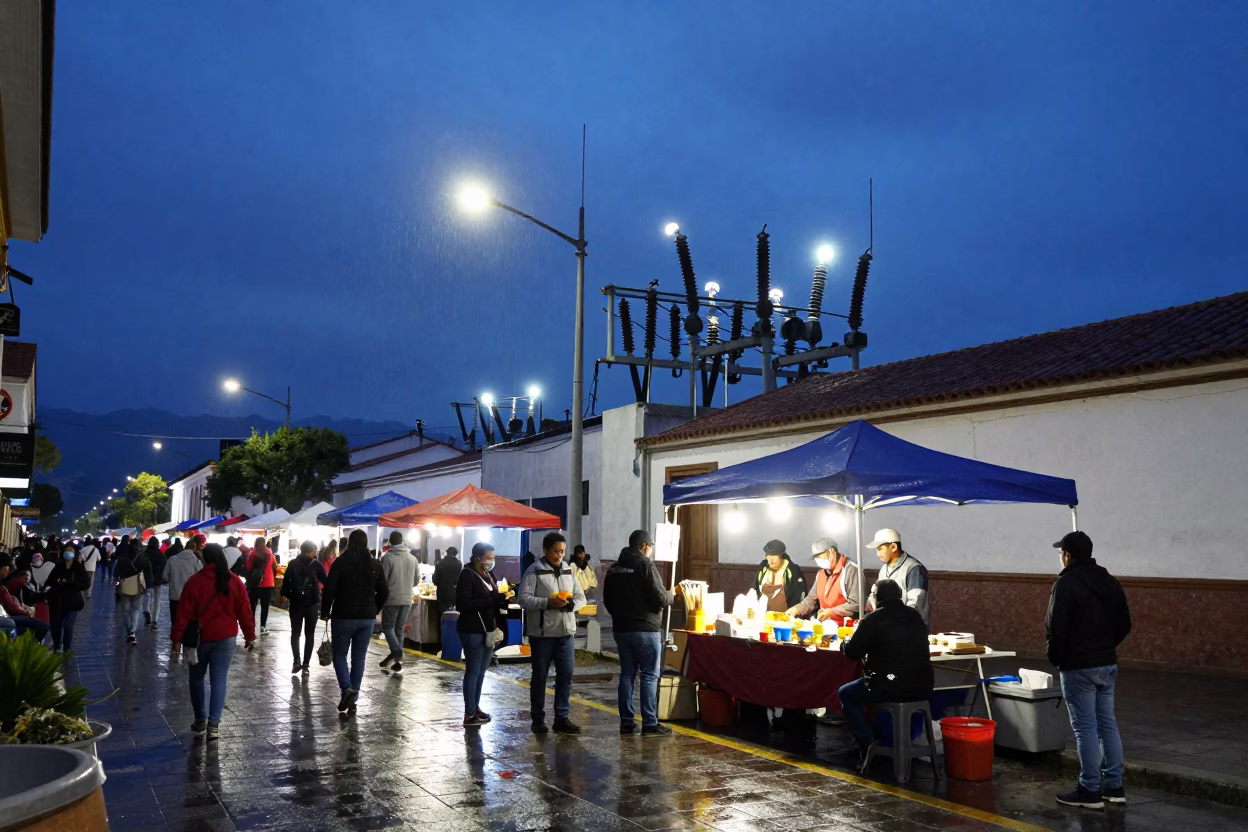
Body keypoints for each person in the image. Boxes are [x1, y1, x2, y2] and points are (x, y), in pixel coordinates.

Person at [1047, 531, 1131, 810]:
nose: (1060, 557)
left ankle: (1090, 790)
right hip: (1107, 663)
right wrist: (1106, 646)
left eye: (1061, 553)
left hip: (1078, 666)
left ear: (1068, 555)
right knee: (1107, 723)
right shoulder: (1109, 581)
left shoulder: (1066, 583)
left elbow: (1055, 628)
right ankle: (1114, 787)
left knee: (1085, 728)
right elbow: (1125, 623)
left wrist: (1058, 657)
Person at [837, 579, 934, 760]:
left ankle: (868, 745)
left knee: (846, 693)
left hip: (890, 685)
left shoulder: (873, 619)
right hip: (923, 685)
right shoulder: (915, 616)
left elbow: (853, 653)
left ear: (876, 598)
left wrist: (844, 644)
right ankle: (879, 740)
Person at [170, 543, 256, 741]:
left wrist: (176, 640)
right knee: (219, 679)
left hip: (199, 639)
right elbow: (245, 611)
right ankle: (213, 725)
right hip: (225, 638)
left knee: (196, 677)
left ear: (204, 560)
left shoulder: (194, 582)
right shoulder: (234, 581)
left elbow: (183, 614)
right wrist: (249, 635)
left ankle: (200, 719)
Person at [603, 529, 675, 736]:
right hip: (646, 629)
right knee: (650, 675)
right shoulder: (645, 565)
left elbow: (607, 600)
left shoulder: (614, 569)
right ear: (644, 546)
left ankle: (627, 722)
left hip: (621, 629)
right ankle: (650, 723)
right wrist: (672, 595)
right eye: (651, 547)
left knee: (626, 675)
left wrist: (620, 615)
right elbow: (661, 598)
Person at [519, 531, 586, 735]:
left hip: (565, 632)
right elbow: (523, 599)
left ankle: (561, 718)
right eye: (556, 551)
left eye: (563, 551)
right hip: (542, 635)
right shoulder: (535, 571)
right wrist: (548, 603)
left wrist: (571, 606)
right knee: (540, 676)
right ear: (546, 551)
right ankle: (538, 719)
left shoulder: (568, 570)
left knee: (565, 675)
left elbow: (581, 597)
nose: (560, 555)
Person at [320, 529, 389, 715]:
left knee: (340, 655)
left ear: (349, 543)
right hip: (366, 618)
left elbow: (329, 589)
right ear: (366, 543)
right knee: (359, 657)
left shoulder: (340, 562)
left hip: (343, 615)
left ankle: (347, 689)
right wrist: (374, 609)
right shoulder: (374, 564)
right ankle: (353, 697)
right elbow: (384, 591)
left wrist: (325, 611)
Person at [456, 542, 512, 727]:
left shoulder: (488, 574)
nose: (492, 561)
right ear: (478, 557)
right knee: (472, 671)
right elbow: (463, 605)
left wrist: (503, 598)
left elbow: (492, 599)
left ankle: (475, 707)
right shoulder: (467, 574)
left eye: (494, 557)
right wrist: (491, 600)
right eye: (490, 557)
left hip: (489, 629)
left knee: (481, 671)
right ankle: (469, 712)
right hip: (472, 628)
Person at [788, 537, 861, 625]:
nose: (818, 560)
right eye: (816, 557)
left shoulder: (851, 570)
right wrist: (798, 608)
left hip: (846, 628)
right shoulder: (821, 574)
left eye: (820, 556)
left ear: (832, 552)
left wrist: (831, 612)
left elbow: (856, 604)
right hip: (825, 626)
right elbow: (811, 599)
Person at [865, 529, 930, 627]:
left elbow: (915, 605)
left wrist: (895, 621)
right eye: (876, 550)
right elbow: (875, 596)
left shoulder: (914, 569)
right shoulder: (884, 569)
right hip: (891, 627)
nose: (878, 554)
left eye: (880, 549)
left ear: (893, 547)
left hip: (912, 628)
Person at [280, 541, 322, 675]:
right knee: (310, 635)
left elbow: (285, 587)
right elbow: (327, 582)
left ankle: (296, 661)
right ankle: (306, 666)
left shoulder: (292, 564)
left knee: (295, 633)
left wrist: (293, 597)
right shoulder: (316, 565)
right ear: (310, 552)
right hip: (312, 605)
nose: (316, 552)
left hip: (296, 604)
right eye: (314, 550)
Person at [379, 531, 417, 673]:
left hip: (392, 598)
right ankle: (397, 661)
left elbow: (383, 580)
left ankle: (397, 651)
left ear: (390, 542)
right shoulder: (413, 558)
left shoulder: (387, 557)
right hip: (407, 598)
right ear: (402, 540)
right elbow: (416, 580)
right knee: (399, 629)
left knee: (388, 627)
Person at [46, 544, 90, 653]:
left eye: (70, 551)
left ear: (74, 554)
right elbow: (49, 580)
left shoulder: (78, 566)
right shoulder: (58, 566)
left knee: (68, 627)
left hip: (72, 601)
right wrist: (57, 582)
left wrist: (72, 583)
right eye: (66, 551)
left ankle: (66, 648)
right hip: (57, 600)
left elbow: (86, 583)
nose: (68, 553)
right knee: (55, 625)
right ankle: (56, 644)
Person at [113, 539, 151, 645]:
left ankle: (129, 630)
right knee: (135, 609)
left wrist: (116, 581)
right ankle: (132, 631)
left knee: (125, 610)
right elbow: (148, 570)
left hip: (125, 585)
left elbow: (116, 573)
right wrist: (147, 585)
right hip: (138, 585)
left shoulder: (122, 558)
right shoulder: (142, 557)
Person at [753, 540, 807, 612]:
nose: (771, 561)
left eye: (774, 555)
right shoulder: (762, 570)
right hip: (764, 616)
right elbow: (755, 591)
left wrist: (796, 612)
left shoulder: (792, 571)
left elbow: (801, 595)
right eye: (769, 556)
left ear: (781, 556)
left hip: (786, 617)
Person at [0, 567, 49, 641]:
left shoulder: (4, 585)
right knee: (40, 628)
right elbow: (11, 604)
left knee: (44, 626)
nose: (8, 570)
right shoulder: (16, 583)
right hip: (5, 618)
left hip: (6, 615)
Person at [164, 535, 201, 627]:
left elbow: (164, 576)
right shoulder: (196, 561)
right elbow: (201, 578)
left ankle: (176, 640)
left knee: (175, 622)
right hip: (190, 597)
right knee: (189, 623)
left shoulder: (172, 559)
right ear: (194, 548)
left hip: (175, 596)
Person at [243, 537, 277, 634]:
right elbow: (275, 567)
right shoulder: (270, 554)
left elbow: (248, 567)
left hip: (255, 584)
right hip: (268, 584)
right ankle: (262, 627)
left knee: (252, 606)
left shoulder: (253, 553)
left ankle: (251, 627)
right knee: (265, 606)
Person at [143, 536, 169, 631]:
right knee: (157, 600)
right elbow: (165, 567)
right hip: (158, 580)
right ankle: (154, 620)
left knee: (147, 596)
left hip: (147, 580)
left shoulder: (145, 554)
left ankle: (146, 613)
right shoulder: (161, 555)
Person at [433, 546, 462, 613]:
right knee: (452, 615)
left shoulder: (440, 563)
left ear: (447, 552)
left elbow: (435, 580)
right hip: (454, 593)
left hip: (442, 593)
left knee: (442, 614)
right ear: (455, 554)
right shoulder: (459, 564)